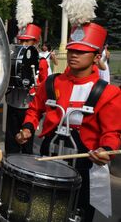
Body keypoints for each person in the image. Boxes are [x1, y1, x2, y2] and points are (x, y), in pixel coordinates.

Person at [16, 22, 121, 221]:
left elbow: (112, 131)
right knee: (44, 210)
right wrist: (28, 128)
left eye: (81, 52)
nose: (73, 55)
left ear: (97, 57)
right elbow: (34, 109)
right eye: (72, 50)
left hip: (85, 161)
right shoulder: (52, 82)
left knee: (78, 213)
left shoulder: (109, 92)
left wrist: (107, 149)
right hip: (51, 154)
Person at [5, 23, 48, 155]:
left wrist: (34, 85)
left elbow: (44, 83)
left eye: (27, 41)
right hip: (13, 102)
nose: (23, 43)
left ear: (35, 42)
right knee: (11, 140)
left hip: (28, 106)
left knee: (26, 143)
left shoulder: (41, 61)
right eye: (21, 40)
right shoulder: (13, 56)